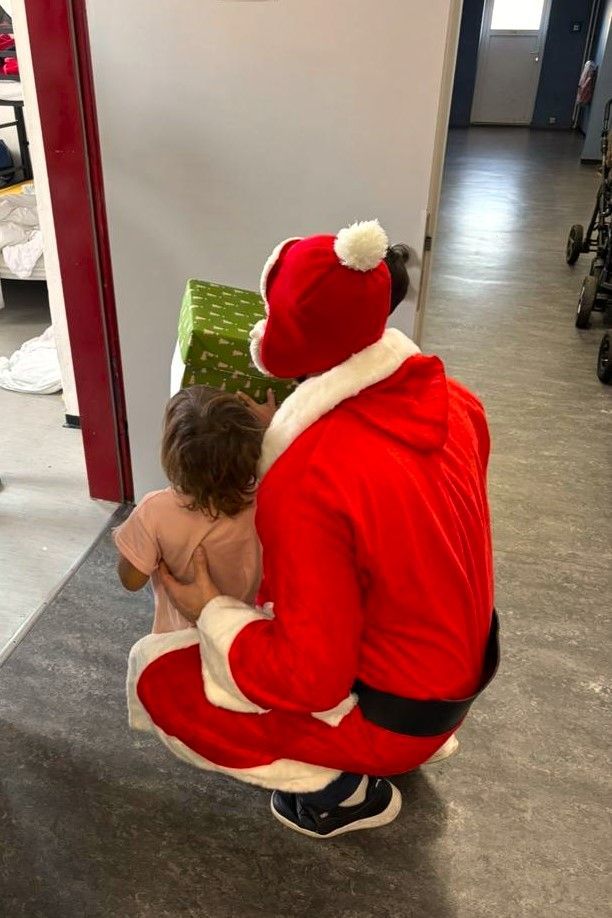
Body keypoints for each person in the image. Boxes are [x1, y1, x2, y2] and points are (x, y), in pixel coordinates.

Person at [127, 219, 497, 839]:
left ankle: (343, 792)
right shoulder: (457, 402)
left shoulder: (309, 477)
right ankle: (407, 745)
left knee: (158, 679)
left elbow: (310, 677)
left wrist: (211, 609)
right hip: (453, 679)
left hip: (389, 714)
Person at [114, 386, 262, 635]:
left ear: (172, 454)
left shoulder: (154, 511)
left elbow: (131, 580)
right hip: (241, 627)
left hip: (178, 637)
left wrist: (129, 540)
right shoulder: (266, 498)